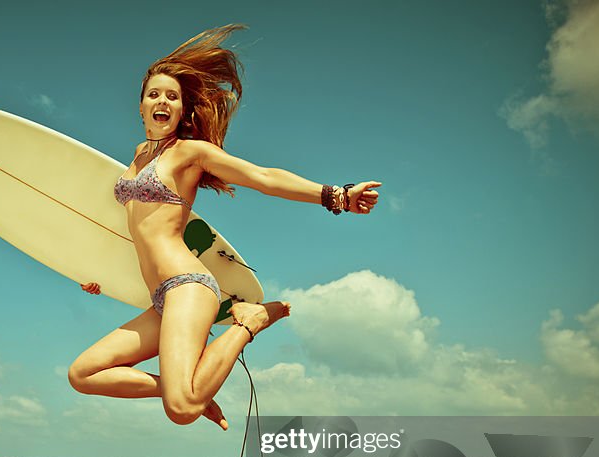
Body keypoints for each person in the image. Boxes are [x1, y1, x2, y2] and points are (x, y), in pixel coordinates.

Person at [68, 24, 381, 431]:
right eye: (154, 94)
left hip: (189, 285)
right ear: (141, 106)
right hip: (161, 297)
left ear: (182, 111)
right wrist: (98, 276)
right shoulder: (139, 155)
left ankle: (248, 322)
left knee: (180, 412)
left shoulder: (190, 153)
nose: (162, 101)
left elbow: (262, 176)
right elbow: (132, 231)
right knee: (84, 374)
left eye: (172, 96)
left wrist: (335, 195)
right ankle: (188, 390)